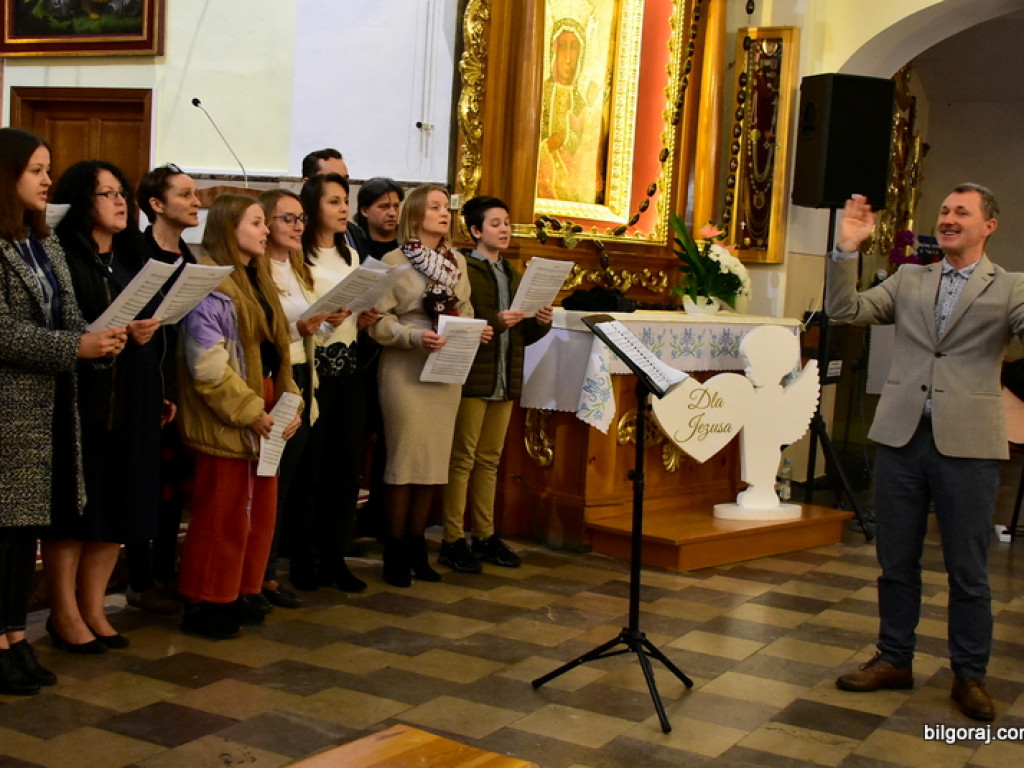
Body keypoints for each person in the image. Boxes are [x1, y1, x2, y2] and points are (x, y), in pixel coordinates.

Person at [829, 184, 1024, 722]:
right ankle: (894, 658)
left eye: (963, 212)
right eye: (944, 210)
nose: (949, 218)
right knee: (896, 562)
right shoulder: (911, 278)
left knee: (968, 569)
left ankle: (970, 675)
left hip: (968, 444)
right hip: (901, 438)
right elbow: (846, 309)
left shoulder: (1010, 287)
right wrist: (846, 250)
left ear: (990, 225)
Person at [0, 128, 127, 694]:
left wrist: (103, 341)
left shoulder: (42, 242)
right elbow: (2, 330)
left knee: (25, 531)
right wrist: (74, 348)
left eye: (49, 169)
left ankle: (14, 635)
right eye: (35, 170)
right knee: (1, 534)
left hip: (51, 407)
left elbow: (68, 315)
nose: (48, 180)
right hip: (9, 408)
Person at [43, 160, 163, 654]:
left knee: (119, 501)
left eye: (122, 193)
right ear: (80, 202)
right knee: (76, 509)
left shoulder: (133, 254)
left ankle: (93, 608)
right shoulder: (62, 257)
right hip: (80, 396)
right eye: (106, 194)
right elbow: (61, 325)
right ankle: (63, 613)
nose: (120, 202)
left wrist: (142, 338)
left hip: (132, 389)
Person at [175, 194, 301, 639]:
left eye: (266, 223)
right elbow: (207, 366)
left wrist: (290, 399)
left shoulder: (259, 278)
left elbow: (277, 349)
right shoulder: (210, 285)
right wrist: (251, 411)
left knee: (259, 510)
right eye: (256, 223)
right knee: (223, 512)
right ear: (230, 229)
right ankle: (205, 599)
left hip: (264, 402)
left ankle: (241, 589)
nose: (266, 230)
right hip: (231, 411)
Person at [368, 184, 492, 587]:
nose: (445, 214)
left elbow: (467, 309)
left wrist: (477, 331)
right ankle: (395, 552)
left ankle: (419, 547)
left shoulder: (457, 261)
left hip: (444, 367)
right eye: (434, 207)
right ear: (416, 215)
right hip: (406, 366)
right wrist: (412, 337)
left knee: (434, 464)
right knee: (405, 461)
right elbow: (375, 320)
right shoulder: (393, 261)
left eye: (447, 208)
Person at [439, 196, 552, 573]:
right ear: (475, 231)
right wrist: (496, 320)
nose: (504, 230)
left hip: (505, 378)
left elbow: (523, 335)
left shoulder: (514, 273)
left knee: (490, 461)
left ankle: (484, 534)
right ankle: (453, 537)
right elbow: (461, 319)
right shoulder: (465, 269)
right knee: (462, 459)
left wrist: (541, 321)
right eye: (495, 224)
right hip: (474, 377)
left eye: (506, 223)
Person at [290, 173, 379, 593]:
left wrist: (364, 319)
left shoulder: (351, 254)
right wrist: (325, 321)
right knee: (313, 468)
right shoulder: (299, 257)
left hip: (348, 370)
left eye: (346, 201)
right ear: (312, 209)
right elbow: (298, 317)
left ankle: (334, 556)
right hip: (314, 371)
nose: (344, 209)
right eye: (334, 202)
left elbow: (354, 309)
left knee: (345, 468)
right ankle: (304, 557)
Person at [122, 163, 202, 616]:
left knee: (172, 485)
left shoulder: (188, 258)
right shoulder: (135, 251)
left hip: (175, 378)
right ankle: (138, 576)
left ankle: (166, 570)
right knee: (143, 482)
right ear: (156, 204)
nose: (196, 202)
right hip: (142, 376)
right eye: (186, 195)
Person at [301, 149, 370, 256]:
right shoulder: (295, 234)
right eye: (331, 178)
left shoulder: (355, 234)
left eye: (344, 179)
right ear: (308, 183)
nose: (340, 185)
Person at [353, 177, 404, 259]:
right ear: (365, 211)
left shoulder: (409, 242)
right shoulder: (355, 242)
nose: (392, 213)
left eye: (396, 206)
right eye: (384, 207)